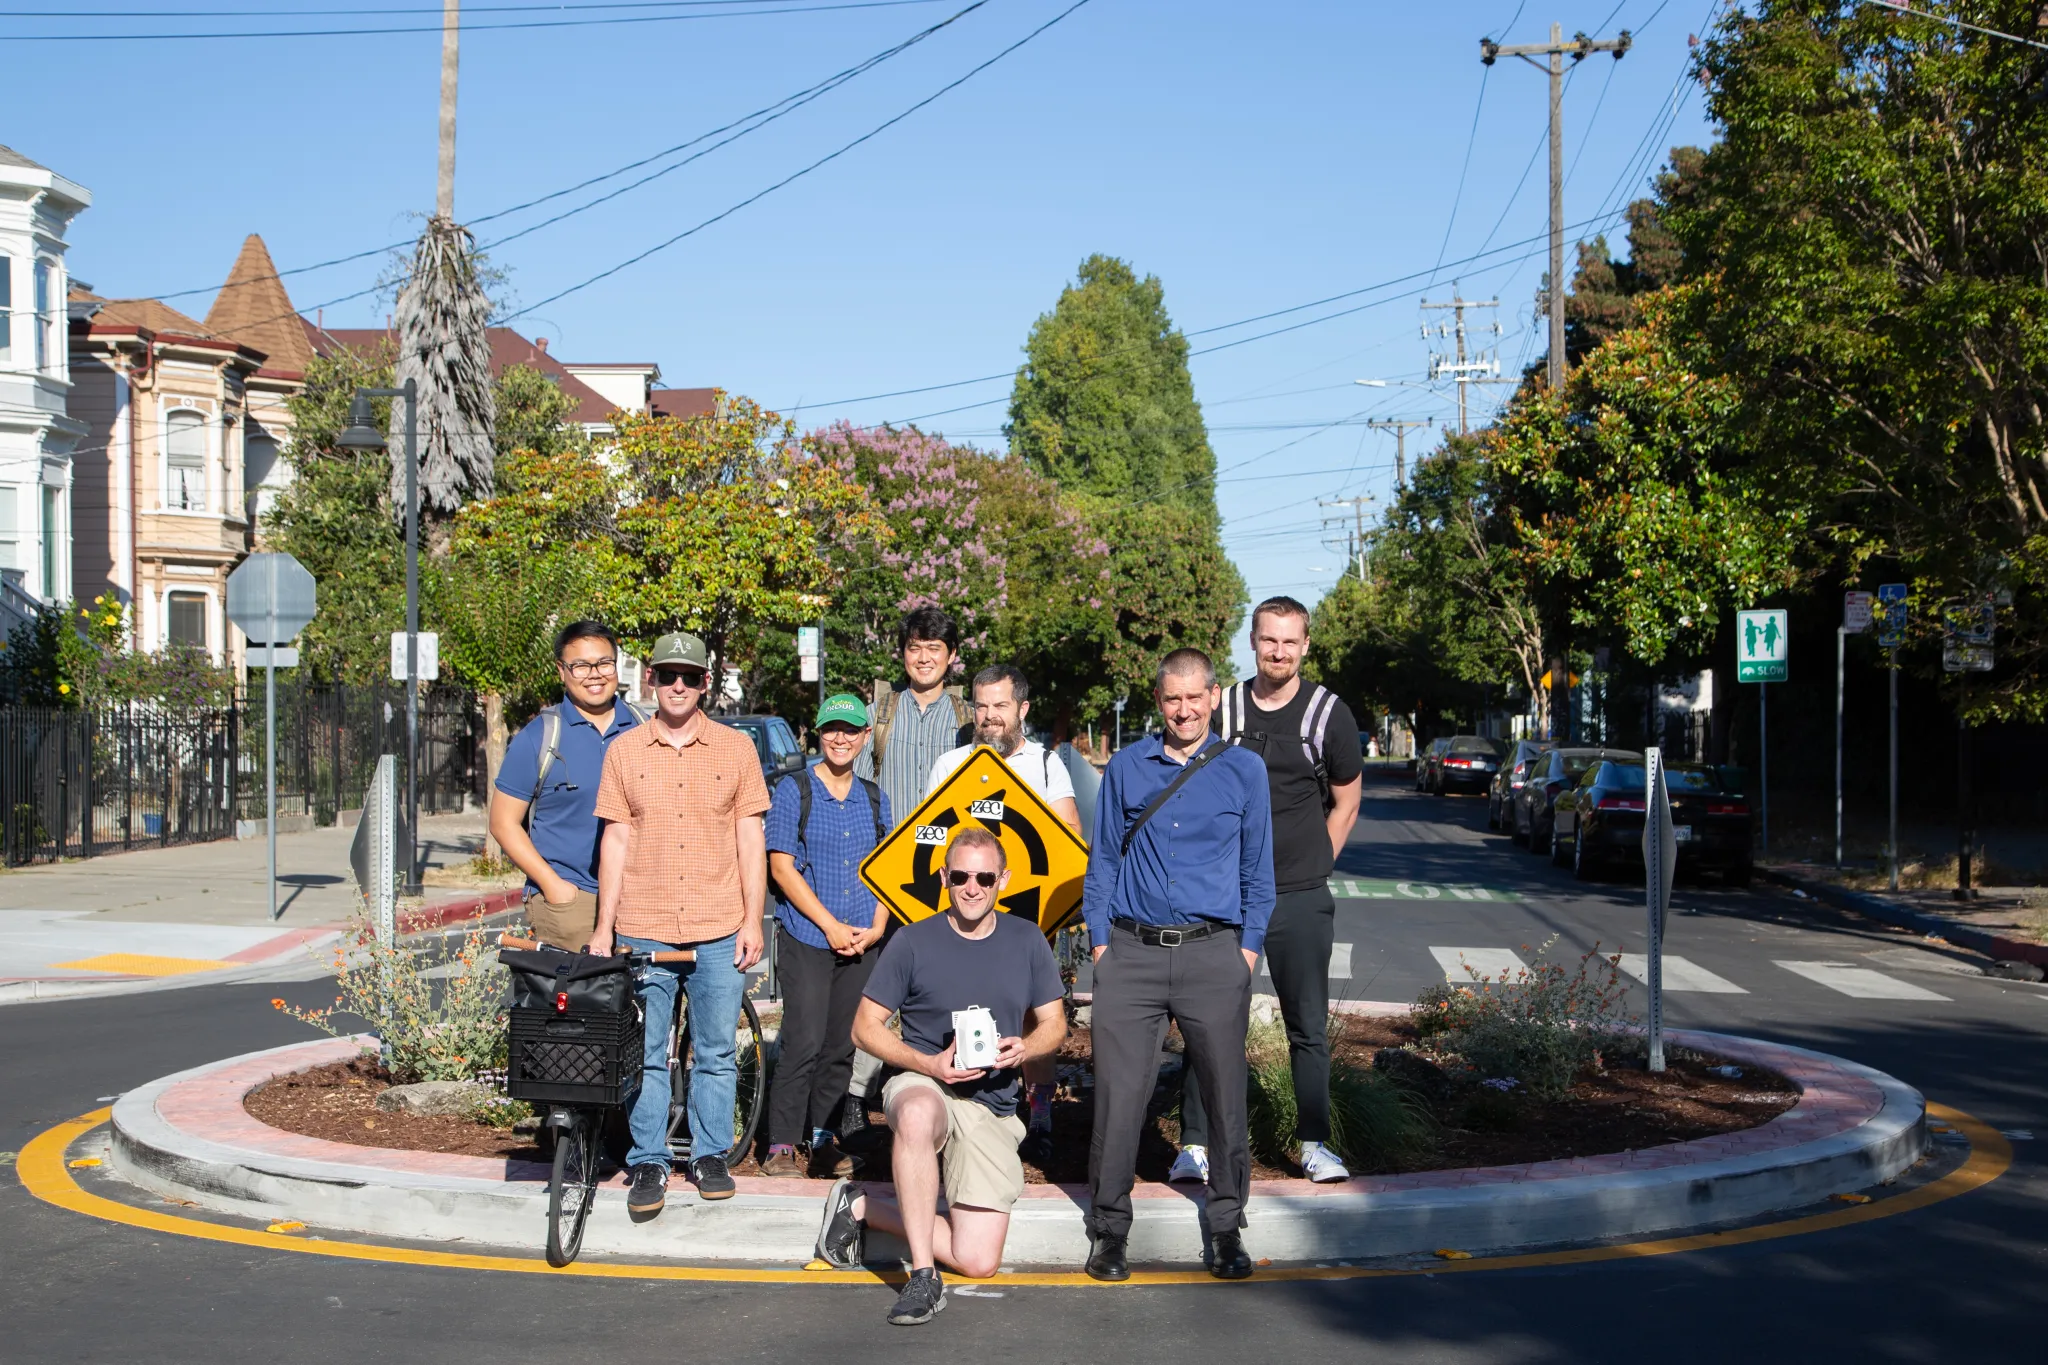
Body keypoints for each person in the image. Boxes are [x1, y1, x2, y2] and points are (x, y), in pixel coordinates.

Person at [814, 829, 1066, 1325]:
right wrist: (929, 1065)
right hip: (926, 1079)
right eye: (961, 876)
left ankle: (861, 1205)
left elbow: (1055, 1024)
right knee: (916, 1111)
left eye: (984, 877)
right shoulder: (912, 941)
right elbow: (864, 1027)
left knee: (978, 1261)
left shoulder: (1027, 939)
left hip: (992, 1103)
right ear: (945, 878)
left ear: (1003, 881)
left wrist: (1025, 1047)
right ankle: (924, 1277)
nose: (972, 887)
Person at [1080, 647, 1273, 1282]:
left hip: (1214, 954)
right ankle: (1108, 1231)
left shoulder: (1245, 770)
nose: (1184, 710)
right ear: (1158, 701)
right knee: (1119, 1097)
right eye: (1172, 699)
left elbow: (1257, 875)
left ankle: (1226, 1227)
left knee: (1224, 1096)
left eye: (1195, 697)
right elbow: (1103, 858)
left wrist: (1244, 953)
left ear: (1214, 698)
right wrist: (1103, 945)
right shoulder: (1128, 766)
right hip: (1131, 954)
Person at [1177, 596, 1364, 1184]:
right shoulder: (1223, 705)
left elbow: (1348, 799)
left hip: (1298, 897)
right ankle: (1195, 1145)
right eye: (1268, 640)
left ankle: (1313, 1144)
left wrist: (1314, 866)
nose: (1278, 651)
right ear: (1252, 642)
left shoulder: (1329, 714)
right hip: (1224, 899)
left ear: (1306, 646)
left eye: (1290, 641)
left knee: (1306, 1025)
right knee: (1208, 1019)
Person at [588, 631, 771, 1216]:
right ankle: (648, 1161)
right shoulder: (624, 752)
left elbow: (751, 838)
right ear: (651, 681)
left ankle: (710, 1154)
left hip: (719, 925)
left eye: (689, 677)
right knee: (645, 1051)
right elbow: (614, 841)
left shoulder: (736, 750)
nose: (677, 686)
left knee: (715, 1051)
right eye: (668, 676)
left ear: (705, 685)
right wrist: (603, 928)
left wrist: (752, 919)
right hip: (644, 925)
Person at [924, 663, 1079, 1162]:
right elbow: (926, 845)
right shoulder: (949, 766)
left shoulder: (1046, 764)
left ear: (1023, 710)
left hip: (1027, 922)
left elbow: (1070, 842)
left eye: (1000, 706)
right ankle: (956, 1106)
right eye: (981, 706)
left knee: (1036, 1016)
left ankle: (1039, 1114)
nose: (989, 717)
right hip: (960, 921)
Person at [842, 606, 972, 1138]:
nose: (924, 657)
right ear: (903, 653)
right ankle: (855, 1095)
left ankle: (949, 1086)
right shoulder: (881, 709)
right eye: (915, 647)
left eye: (934, 649)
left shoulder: (968, 716)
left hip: (951, 872)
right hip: (890, 869)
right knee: (877, 984)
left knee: (949, 980)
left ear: (952, 657)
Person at [761, 693, 891, 1179]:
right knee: (803, 1040)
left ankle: (824, 1139)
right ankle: (781, 1144)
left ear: (863, 739)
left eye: (851, 730)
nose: (840, 737)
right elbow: (782, 867)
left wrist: (877, 926)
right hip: (809, 937)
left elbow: (886, 869)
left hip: (862, 940)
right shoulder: (795, 789)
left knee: (841, 1045)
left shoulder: (874, 797)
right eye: (831, 728)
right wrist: (830, 926)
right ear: (818, 734)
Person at [487, 621, 643, 950]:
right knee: (583, 1000)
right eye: (580, 666)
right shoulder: (539, 737)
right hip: (574, 900)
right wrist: (553, 886)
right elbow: (503, 823)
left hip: (641, 898)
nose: (595, 674)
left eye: (604, 663)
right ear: (561, 671)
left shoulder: (644, 728)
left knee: (644, 999)